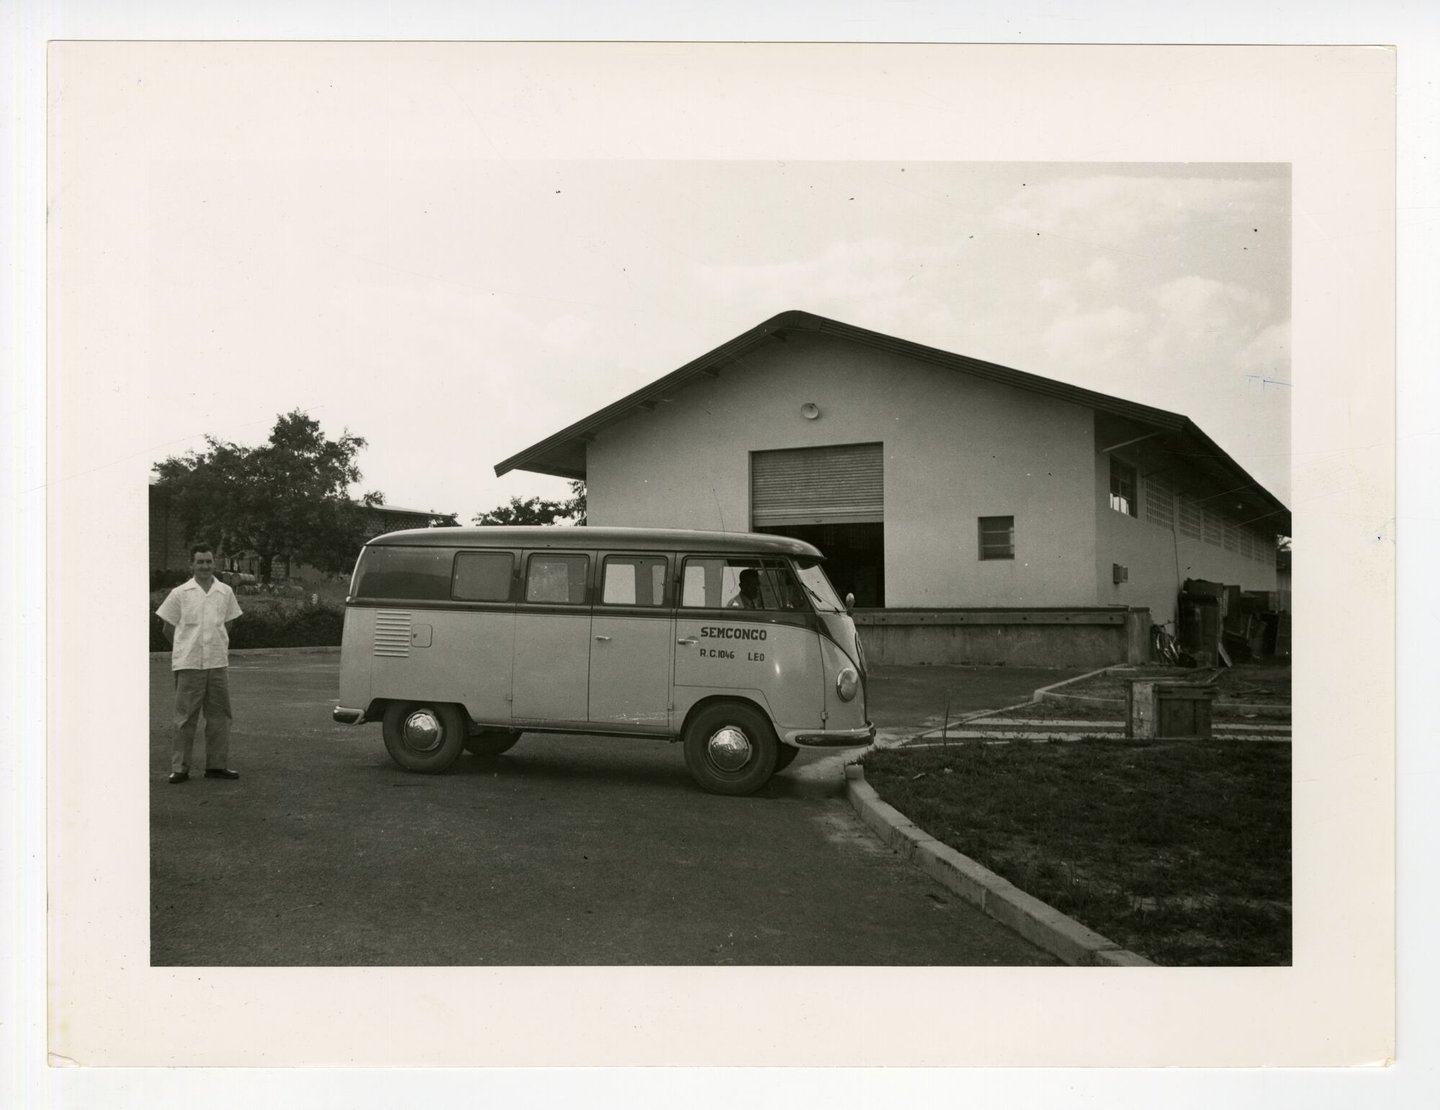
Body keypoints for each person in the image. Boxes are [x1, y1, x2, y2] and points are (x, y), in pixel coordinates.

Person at [155, 543, 244, 783]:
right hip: (189, 664)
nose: (205, 566)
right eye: (200, 562)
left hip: (217, 662)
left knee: (220, 717)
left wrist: (215, 644)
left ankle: (216, 765)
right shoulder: (180, 593)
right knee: (185, 718)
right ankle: (180, 768)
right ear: (191, 564)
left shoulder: (225, 592)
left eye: (208, 561)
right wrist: (186, 646)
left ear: (214, 563)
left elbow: (229, 622)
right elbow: (167, 627)